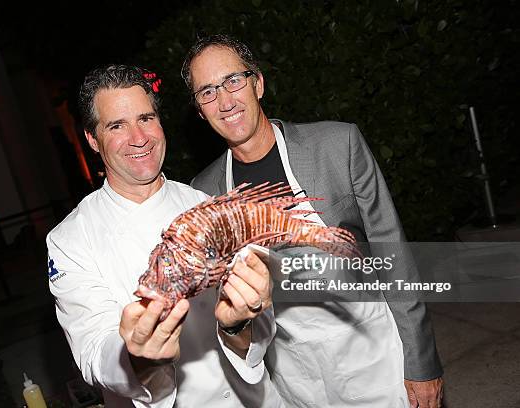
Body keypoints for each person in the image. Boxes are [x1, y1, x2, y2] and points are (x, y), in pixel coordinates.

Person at [182, 34, 444, 407]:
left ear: (257, 83)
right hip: (295, 375)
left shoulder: (337, 144)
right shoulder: (205, 191)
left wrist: (421, 362)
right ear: (199, 110)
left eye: (233, 81)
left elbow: (394, 254)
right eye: (207, 92)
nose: (225, 101)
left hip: (374, 357)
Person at [46, 64, 284, 407]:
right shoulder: (69, 240)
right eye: (117, 125)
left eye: (146, 118)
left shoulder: (208, 205)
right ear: (92, 139)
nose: (139, 138)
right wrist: (140, 357)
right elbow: (94, 352)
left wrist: (238, 324)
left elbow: (259, 331)